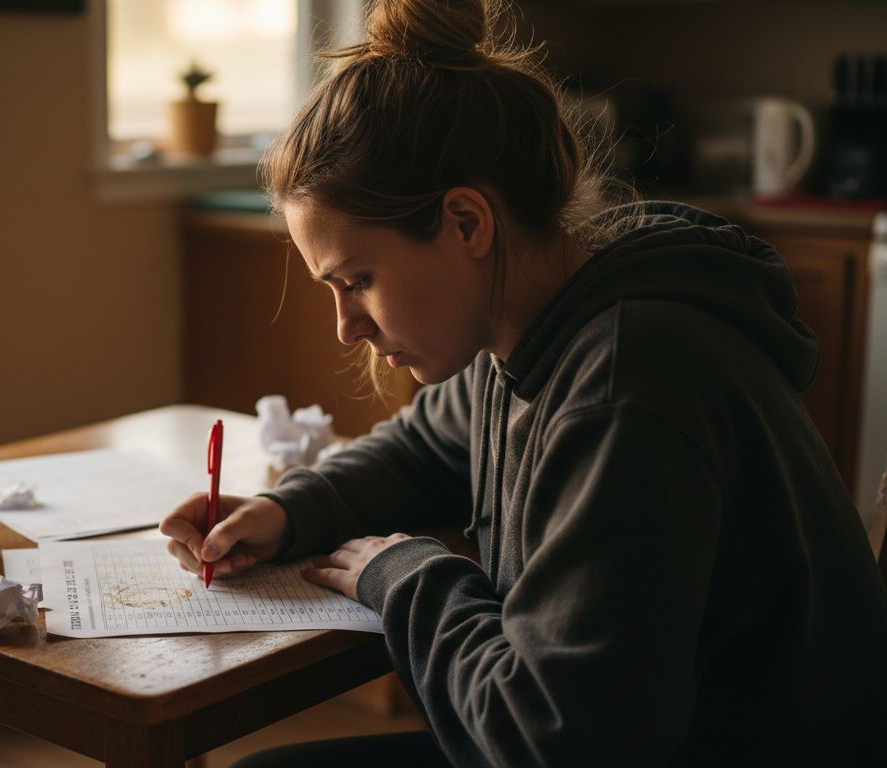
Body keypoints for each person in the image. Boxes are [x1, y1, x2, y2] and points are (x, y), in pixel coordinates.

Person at [160, 0, 887, 764]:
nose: (347, 326)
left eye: (359, 280)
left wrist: (405, 576)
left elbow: (555, 740)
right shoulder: (541, 326)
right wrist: (287, 508)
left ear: (468, 223)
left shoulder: (624, 384)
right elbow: (424, 446)